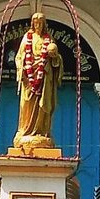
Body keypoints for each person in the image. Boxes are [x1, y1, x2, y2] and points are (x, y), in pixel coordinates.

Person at [13, 12, 63, 150]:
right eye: (36, 22)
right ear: (32, 24)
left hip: (44, 77)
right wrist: (21, 70)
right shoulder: (27, 38)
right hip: (29, 79)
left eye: (41, 22)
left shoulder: (49, 39)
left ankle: (41, 132)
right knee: (26, 105)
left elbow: (56, 60)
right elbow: (19, 57)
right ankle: (26, 131)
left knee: (43, 106)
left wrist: (54, 57)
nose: (38, 25)